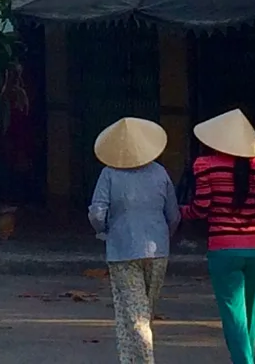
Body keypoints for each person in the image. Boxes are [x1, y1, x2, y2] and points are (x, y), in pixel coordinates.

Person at [180, 109, 255, 364]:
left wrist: (182, 212)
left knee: (233, 313)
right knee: (251, 311)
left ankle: (244, 362)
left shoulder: (205, 166)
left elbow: (201, 208)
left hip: (224, 249)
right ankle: (247, 358)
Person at [89, 117, 180, 364]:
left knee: (131, 312)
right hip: (158, 248)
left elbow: (97, 213)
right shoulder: (160, 172)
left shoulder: (109, 174)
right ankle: (132, 359)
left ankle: (141, 360)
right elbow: (174, 214)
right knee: (145, 311)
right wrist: (163, 236)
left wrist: (104, 230)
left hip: (122, 249)